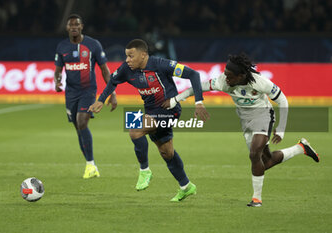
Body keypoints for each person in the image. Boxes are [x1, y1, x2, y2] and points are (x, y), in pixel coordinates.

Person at [163, 53, 320, 207]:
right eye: (225, 74)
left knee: (254, 154)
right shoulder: (223, 81)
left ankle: (256, 199)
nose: (226, 78)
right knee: (265, 162)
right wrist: (175, 99)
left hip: (263, 115)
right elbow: (196, 88)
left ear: (241, 75)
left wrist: (281, 128)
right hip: (246, 121)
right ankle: (301, 148)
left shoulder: (260, 82)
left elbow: (283, 100)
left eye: (230, 76)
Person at [89, 39, 209, 201]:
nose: (127, 60)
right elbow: (112, 81)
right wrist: (101, 100)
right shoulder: (127, 69)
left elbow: (193, 74)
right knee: (167, 153)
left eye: (131, 56)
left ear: (143, 55)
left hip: (169, 110)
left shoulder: (161, 64)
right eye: (126, 56)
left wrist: (199, 102)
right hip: (151, 112)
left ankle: (145, 171)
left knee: (135, 129)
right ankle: (186, 186)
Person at [54, 14, 117, 179]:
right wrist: (57, 82)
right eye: (71, 25)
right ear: (67, 28)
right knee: (78, 129)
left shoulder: (93, 45)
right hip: (71, 93)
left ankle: (90, 164)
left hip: (88, 91)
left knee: (82, 122)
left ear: (82, 27)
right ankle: (91, 165)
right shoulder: (62, 47)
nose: (74, 27)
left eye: (77, 24)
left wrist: (112, 93)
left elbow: (104, 70)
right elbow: (58, 70)